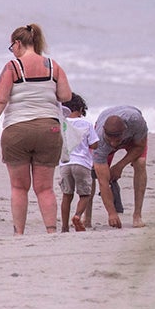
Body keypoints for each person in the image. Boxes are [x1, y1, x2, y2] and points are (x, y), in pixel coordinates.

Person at [0, 23, 73, 234]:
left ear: (18, 43)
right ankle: (50, 231)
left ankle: (19, 233)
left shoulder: (12, 67)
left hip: (17, 130)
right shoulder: (53, 66)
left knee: (19, 188)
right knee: (45, 188)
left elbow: (1, 100)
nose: (12, 51)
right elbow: (66, 96)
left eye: (11, 46)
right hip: (49, 130)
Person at [91, 105, 149, 228]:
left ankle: (137, 215)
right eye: (110, 140)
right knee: (94, 172)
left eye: (116, 141)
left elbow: (140, 146)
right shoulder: (99, 140)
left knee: (140, 163)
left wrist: (120, 166)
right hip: (104, 126)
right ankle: (87, 217)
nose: (113, 144)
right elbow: (103, 182)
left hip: (133, 138)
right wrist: (112, 214)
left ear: (124, 132)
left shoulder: (136, 122)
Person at [57, 94, 96, 232]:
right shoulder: (86, 124)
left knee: (67, 196)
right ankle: (78, 216)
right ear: (80, 109)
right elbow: (94, 144)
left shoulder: (61, 123)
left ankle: (64, 227)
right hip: (82, 163)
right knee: (85, 194)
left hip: (65, 163)